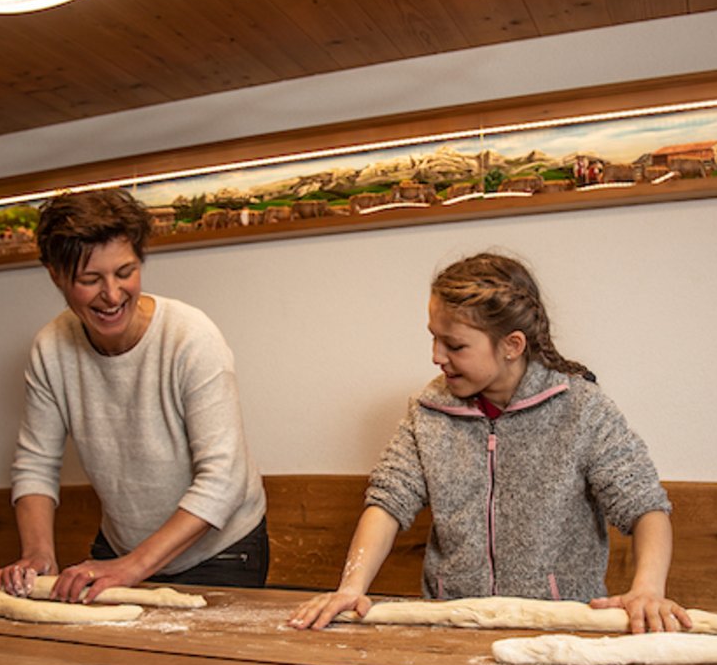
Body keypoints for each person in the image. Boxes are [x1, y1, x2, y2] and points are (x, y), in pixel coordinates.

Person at [290, 252, 691, 634]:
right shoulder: (428, 411)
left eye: (455, 345)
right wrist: (351, 586)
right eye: (434, 339)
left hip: (563, 630)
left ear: (512, 346)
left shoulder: (582, 409)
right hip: (450, 625)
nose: (436, 356)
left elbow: (645, 508)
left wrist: (648, 590)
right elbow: (388, 502)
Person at [0, 189, 268, 603]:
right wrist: (38, 556)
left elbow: (224, 480)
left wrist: (133, 567)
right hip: (122, 545)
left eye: (125, 272)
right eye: (90, 279)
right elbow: (36, 465)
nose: (112, 294)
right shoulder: (51, 348)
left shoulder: (191, 337)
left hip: (223, 550)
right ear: (56, 275)